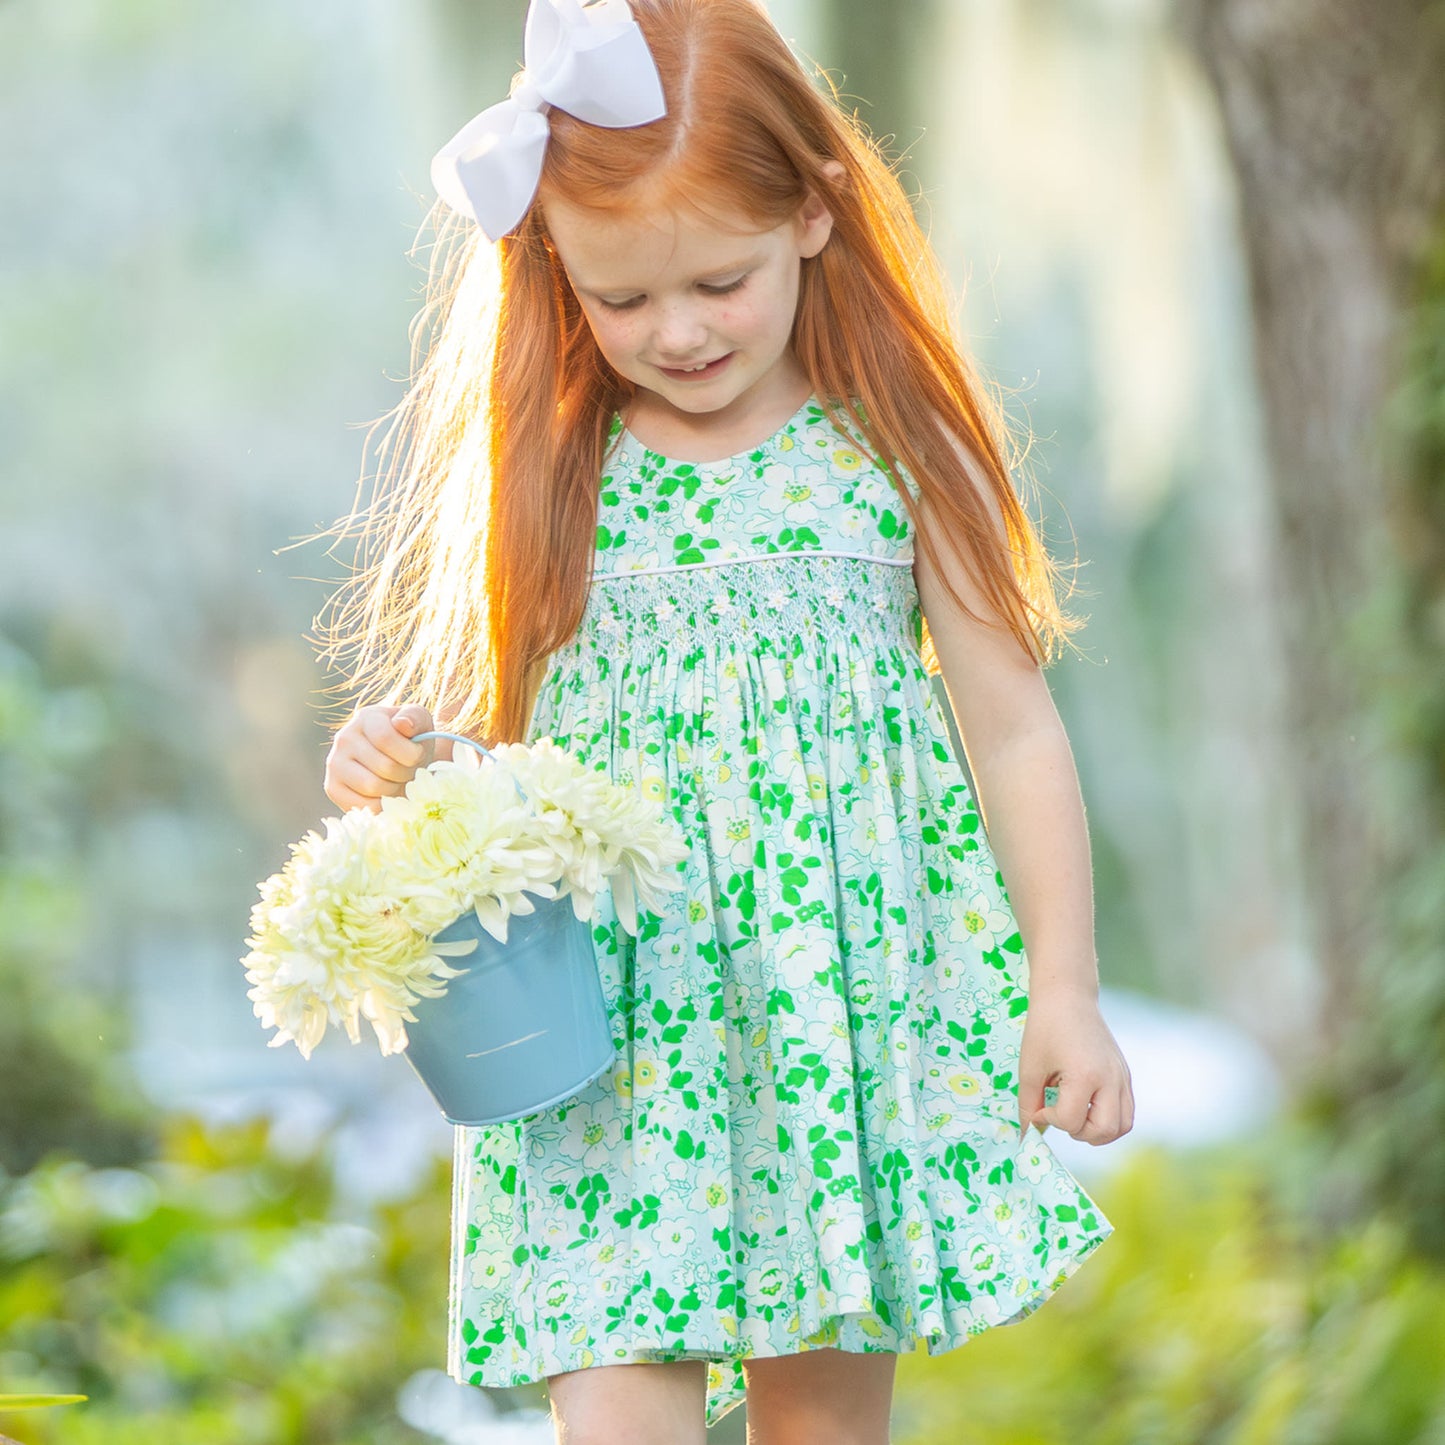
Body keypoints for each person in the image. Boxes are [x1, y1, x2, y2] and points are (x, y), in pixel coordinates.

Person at [318, 0, 1135, 1440]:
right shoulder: (551, 473)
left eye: (719, 281)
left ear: (814, 214)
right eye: (620, 300)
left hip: (830, 1021)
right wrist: (400, 767)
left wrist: (1060, 984)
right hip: (609, 1052)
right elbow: (493, 766)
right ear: (554, 273)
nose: (675, 331)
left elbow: (1012, 728)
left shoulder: (894, 446)